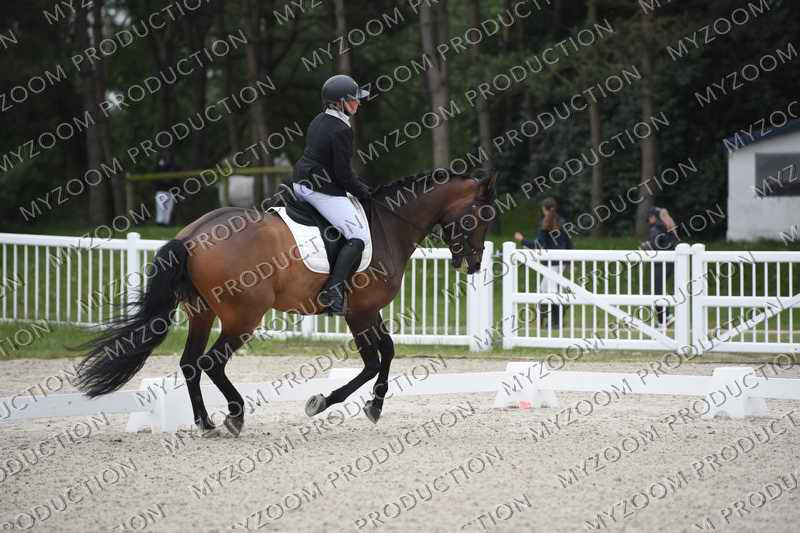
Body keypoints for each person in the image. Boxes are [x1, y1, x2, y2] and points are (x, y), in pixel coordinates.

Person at [288, 74, 371, 316]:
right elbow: (343, 174)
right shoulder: (342, 130)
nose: (358, 103)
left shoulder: (319, 119)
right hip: (319, 190)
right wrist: (363, 192)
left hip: (300, 182)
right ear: (339, 103)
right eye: (353, 100)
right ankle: (334, 291)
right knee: (358, 235)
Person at [514, 197, 573, 328]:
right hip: (562, 262)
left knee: (549, 292)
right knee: (546, 290)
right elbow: (569, 244)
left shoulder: (545, 223)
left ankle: (554, 322)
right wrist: (569, 261)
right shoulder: (562, 222)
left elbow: (538, 245)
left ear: (544, 209)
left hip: (552, 263)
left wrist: (522, 240)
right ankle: (548, 320)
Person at [645, 206, 678, 325]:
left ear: (653, 217)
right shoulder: (667, 227)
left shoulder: (655, 229)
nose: (649, 220)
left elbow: (656, 245)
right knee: (658, 289)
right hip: (670, 262)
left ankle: (665, 318)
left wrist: (648, 247)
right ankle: (664, 318)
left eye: (649, 218)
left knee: (656, 291)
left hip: (661, 262)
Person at [153, 156, 177, 226]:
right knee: (161, 208)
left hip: (170, 191)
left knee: (168, 208)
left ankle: (166, 222)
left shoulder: (173, 165)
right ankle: (160, 222)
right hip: (161, 190)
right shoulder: (158, 166)